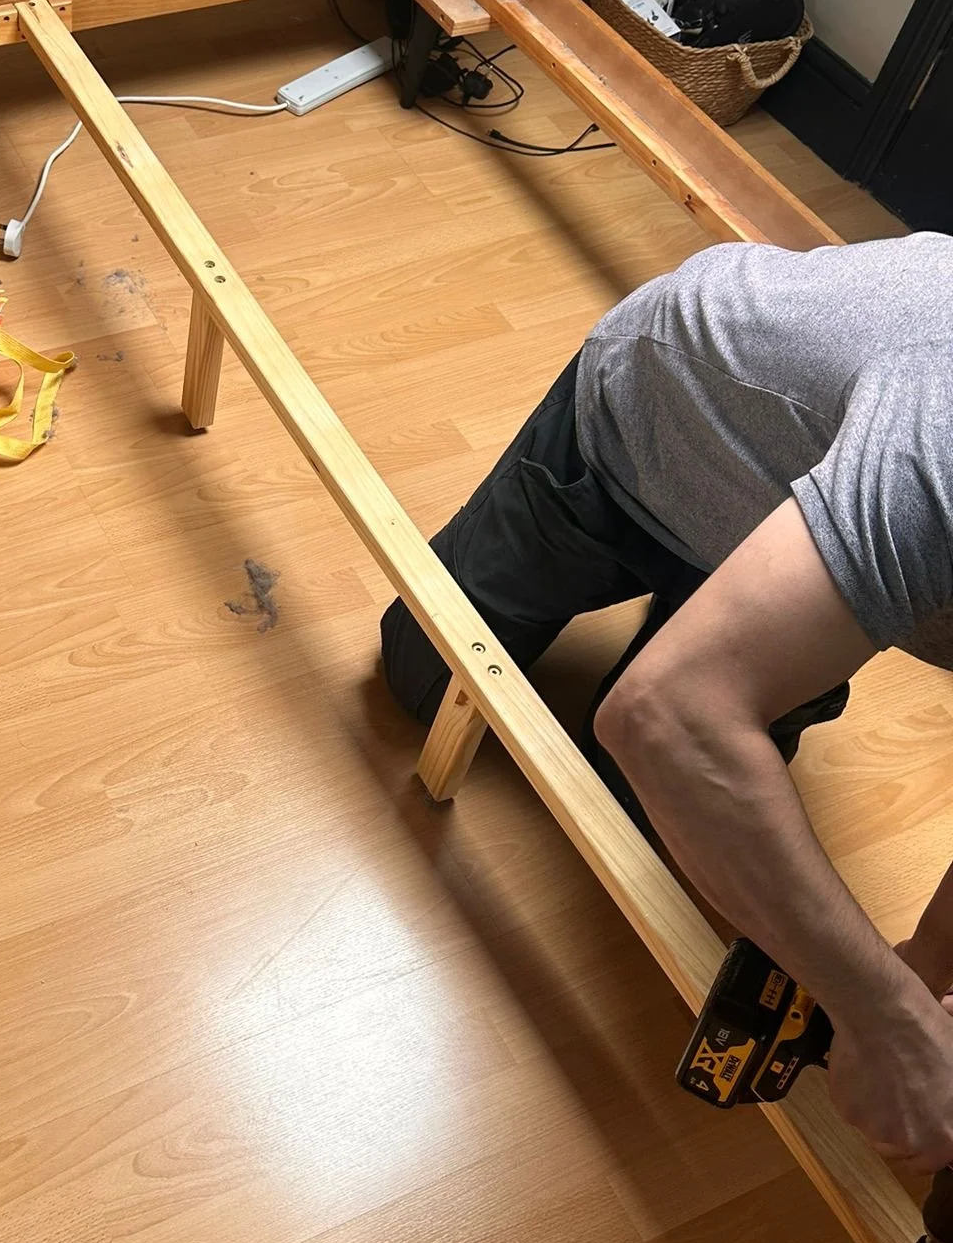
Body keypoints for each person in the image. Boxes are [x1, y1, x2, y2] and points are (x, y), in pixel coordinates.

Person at [380, 233, 953, 1173]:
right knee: (423, 680)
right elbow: (667, 718)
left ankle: (731, 617)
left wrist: (922, 970)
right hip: (645, 429)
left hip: (793, 506)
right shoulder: (945, 433)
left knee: (655, 804)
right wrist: (888, 1021)